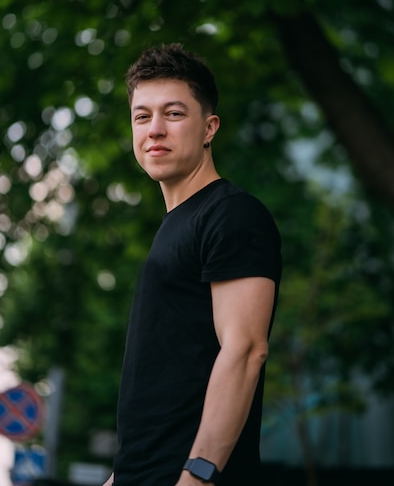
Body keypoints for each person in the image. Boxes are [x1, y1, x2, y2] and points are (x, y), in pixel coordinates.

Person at [103, 43, 282, 486]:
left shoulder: (231, 214)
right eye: (142, 116)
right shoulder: (173, 228)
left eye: (174, 113)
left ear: (209, 127)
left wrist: (198, 474)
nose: (155, 129)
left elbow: (244, 351)